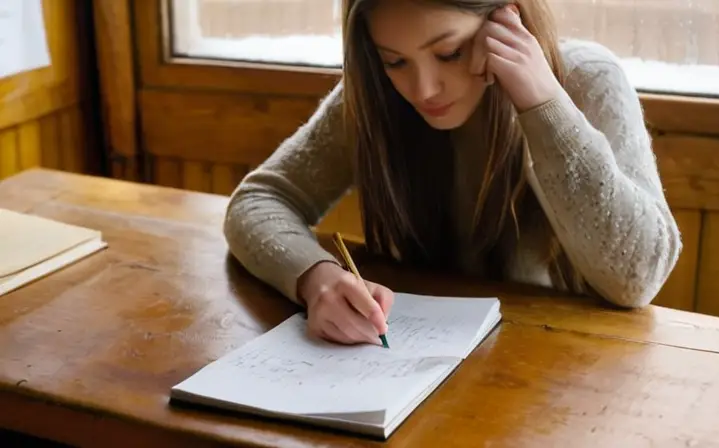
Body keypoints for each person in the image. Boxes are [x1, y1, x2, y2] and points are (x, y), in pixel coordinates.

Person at [223, 0, 682, 346]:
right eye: (395, 60)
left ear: (509, 18)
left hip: (568, 370)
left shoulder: (586, 79)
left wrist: (542, 103)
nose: (422, 90)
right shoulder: (377, 93)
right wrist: (315, 278)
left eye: (449, 52)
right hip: (416, 369)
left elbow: (637, 278)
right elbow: (258, 200)